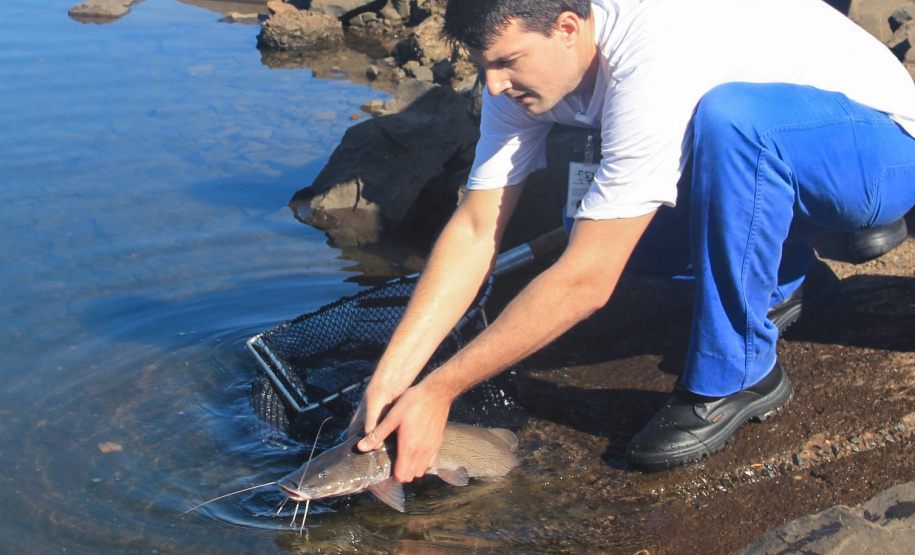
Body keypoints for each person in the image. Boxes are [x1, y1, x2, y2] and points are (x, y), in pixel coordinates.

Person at [348, 0, 915, 476]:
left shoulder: (650, 61)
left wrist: (440, 390)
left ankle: (738, 374)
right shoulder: (515, 81)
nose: (494, 84)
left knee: (731, 121)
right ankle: (785, 277)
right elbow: (476, 227)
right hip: (778, 152)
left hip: (879, 150)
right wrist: (393, 377)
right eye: (484, 66)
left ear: (567, 28)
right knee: (589, 223)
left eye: (508, 63)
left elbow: (587, 281)